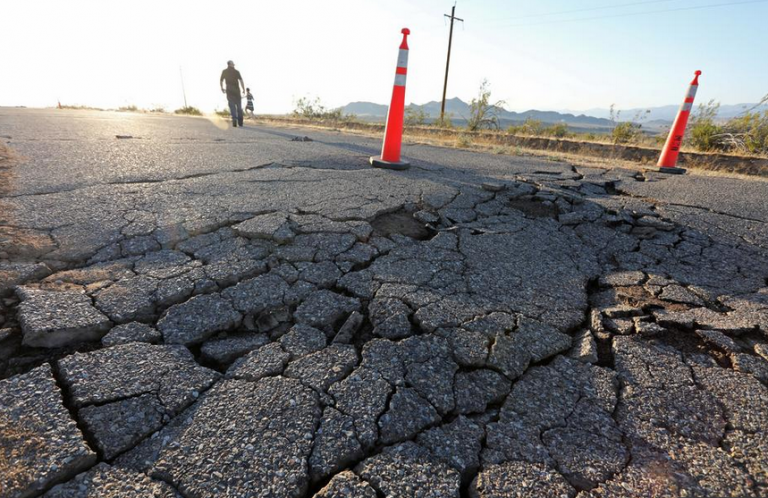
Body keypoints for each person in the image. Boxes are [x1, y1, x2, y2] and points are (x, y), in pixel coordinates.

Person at [220, 60, 245, 127]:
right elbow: (241, 80)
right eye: (233, 63)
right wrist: (243, 89)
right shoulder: (236, 72)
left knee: (232, 105)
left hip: (229, 89)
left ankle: (234, 118)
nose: (234, 64)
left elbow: (221, 80)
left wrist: (222, 88)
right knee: (239, 106)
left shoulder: (224, 71)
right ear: (230, 64)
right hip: (236, 89)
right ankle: (240, 122)